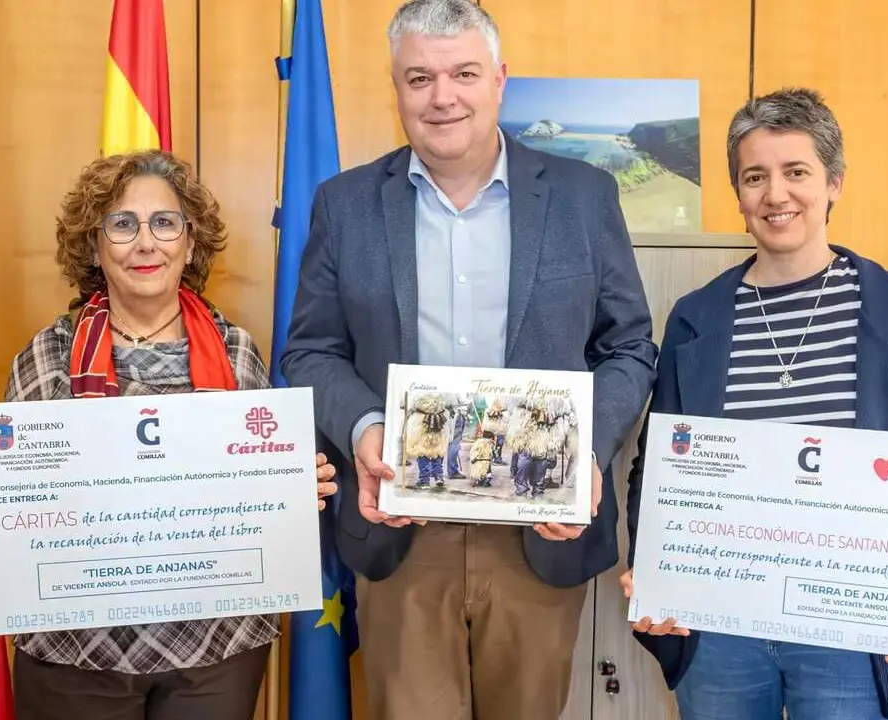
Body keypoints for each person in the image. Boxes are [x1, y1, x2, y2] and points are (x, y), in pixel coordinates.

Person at [280, 1, 657, 717]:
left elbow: (629, 347)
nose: (442, 96)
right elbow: (312, 349)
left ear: (500, 80)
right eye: (419, 77)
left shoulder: (583, 197)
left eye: (463, 73)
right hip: (399, 530)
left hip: (539, 535)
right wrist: (365, 429)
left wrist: (584, 453)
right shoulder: (345, 204)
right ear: (396, 87)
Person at [621, 87, 888, 720]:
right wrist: (656, 573)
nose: (776, 194)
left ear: (834, 183)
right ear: (738, 195)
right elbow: (657, 469)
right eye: (755, 176)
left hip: (854, 631)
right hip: (721, 625)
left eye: (797, 172)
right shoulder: (696, 318)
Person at [0, 149, 338, 720]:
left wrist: (294, 493)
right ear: (93, 246)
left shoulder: (237, 353)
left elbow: (259, 506)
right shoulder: (46, 360)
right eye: (121, 224)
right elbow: (16, 531)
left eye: (165, 222)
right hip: (74, 654)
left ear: (190, 242)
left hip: (217, 649)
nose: (146, 243)